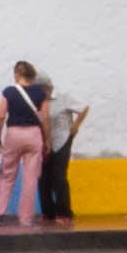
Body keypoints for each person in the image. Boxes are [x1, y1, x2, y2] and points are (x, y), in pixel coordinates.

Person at [0, 60, 47, 227]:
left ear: (17, 74)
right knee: (30, 178)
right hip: (34, 134)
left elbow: (1, 115)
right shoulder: (40, 93)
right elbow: (45, 119)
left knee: (7, 173)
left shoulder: (9, 91)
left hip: (14, 133)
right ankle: (25, 218)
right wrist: (47, 140)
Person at [40, 80, 87, 222]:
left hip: (62, 140)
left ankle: (64, 213)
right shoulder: (37, 102)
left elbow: (84, 108)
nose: (41, 92)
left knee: (59, 177)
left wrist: (75, 127)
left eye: (42, 88)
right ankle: (48, 213)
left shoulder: (63, 98)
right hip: (44, 143)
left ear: (49, 88)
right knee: (43, 178)